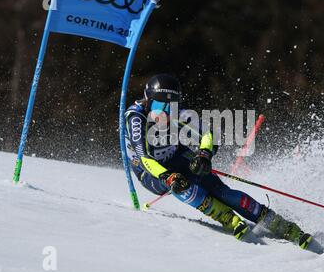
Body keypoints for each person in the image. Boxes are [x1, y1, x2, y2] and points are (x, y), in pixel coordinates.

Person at [125, 74, 312, 249]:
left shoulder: (178, 113)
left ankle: (280, 224)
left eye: (171, 106)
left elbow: (208, 134)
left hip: (176, 156)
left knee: (222, 191)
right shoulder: (136, 117)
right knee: (183, 185)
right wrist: (168, 176)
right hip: (150, 171)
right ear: (148, 101)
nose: (165, 113)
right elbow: (144, 159)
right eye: (160, 106)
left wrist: (204, 154)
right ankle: (226, 217)